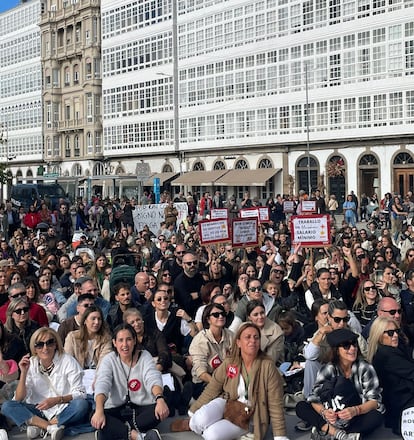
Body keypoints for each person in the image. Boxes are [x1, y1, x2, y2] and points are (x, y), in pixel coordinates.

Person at [171, 322, 290, 440]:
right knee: (198, 419)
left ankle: (232, 430)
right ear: (238, 342)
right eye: (247, 337)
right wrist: (194, 410)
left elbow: (275, 404)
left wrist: (280, 436)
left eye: (256, 337)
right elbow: (213, 388)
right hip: (228, 402)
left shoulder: (268, 366)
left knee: (211, 435)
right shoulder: (230, 362)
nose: (253, 341)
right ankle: (193, 425)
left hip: (249, 415)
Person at [1, 328, 89, 440]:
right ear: (34, 348)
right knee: (7, 406)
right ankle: (49, 427)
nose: (45, 348)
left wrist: (57, 400)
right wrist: (23, 373)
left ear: (56, 344)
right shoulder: (31, 363)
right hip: (39, 410)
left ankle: (40, 426)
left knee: (81, 405)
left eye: (49, 343)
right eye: (40, 345)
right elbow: (18, 398)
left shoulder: (67, 361)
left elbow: (81, 393)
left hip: (64, 408)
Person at [296, 328, 384, 440]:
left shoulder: (365, 368)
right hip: (332, 414)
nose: (352, 348)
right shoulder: (328, 369)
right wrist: (325, 412)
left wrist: (355, 410)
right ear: (337, 350)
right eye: (346, 346)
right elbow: (314, 399)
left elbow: (374, 401)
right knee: (301, 407)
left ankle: (325, 431)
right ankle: (339, 434)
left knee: (376, 416)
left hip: (355, 414)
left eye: (354, 344)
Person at [91, 323, 169, 440]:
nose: (125, 345)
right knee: (94, 414)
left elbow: (153, 377)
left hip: (140, 408)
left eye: (128, 340)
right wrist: (99, 410)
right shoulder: (109, 359)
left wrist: (159, 399)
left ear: (134, 341)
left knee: (159, 408)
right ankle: (138, 436)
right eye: (120, 340)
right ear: (114, 343)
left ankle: (114, 432)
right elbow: (103, 383)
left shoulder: (145, 356)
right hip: (116, 408)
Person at [367, 317, 414, 435]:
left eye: (397, 331)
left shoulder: (390, 350)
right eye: (390, 333)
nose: (395, 335)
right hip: (403, 407)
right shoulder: (386, 355)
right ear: (379, 335)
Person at [188, 303, 234, 400]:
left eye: (223, 314)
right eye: (216, 315)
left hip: (227, 378)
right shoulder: (200, 340)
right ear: (208, 319)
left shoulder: (231, 335)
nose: (221, 316)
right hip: (205, 381)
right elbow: (201, 373)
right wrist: (220, 385)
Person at [246, 299, 285, 365]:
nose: (260, 317)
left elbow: (270, 360)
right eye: (256, 315)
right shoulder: (244, 328)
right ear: (249, 317)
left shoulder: (276, 332)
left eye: (262, 313)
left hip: (270, 368)